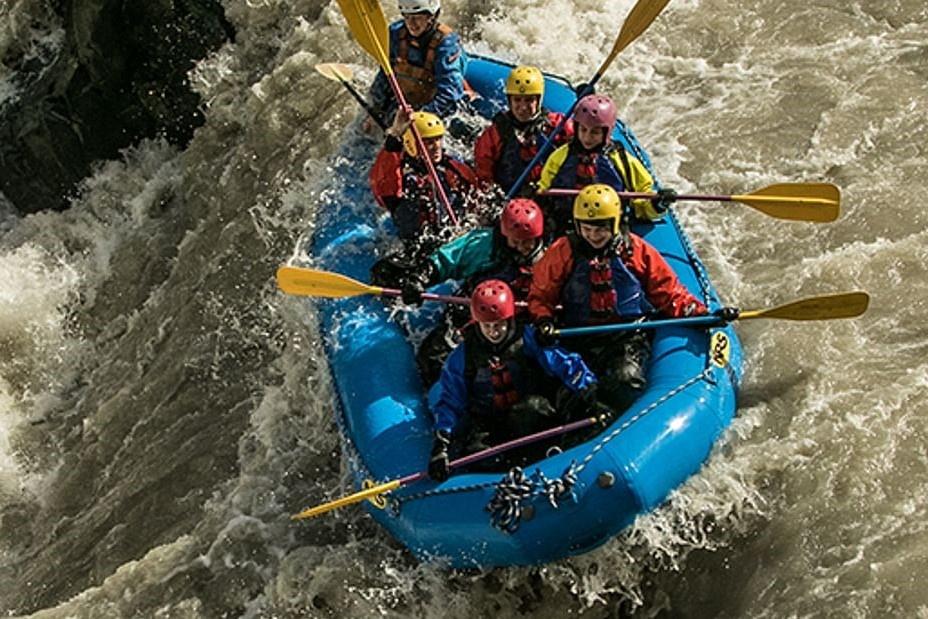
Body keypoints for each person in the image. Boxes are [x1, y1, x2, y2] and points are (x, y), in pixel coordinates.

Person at [528, 184, 727, 412]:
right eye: (586, 229)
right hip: (578, 335)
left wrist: (701, 314)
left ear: (614, 224)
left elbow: (669, 293)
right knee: (574, 398)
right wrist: (543, 320)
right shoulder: (562, 252)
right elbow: (540, 296)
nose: (593, 236)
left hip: (627, 336)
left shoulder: (635, 251)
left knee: (625, 380)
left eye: (600, 229)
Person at [427, 280, 602, 481]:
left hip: (533, 409)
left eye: (499, 324)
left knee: (530, 410)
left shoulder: (528, 337)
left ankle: (552, 455)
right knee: (478, 455)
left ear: (509, 318)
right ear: (477, 323)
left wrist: (587, 387)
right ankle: (511, 471)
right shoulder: (461, 358)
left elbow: (563, 363)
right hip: (490, 421)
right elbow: (450, 402)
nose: (493, 331)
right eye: (487, 326)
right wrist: (441, 444)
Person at [396, 198, 548, 384]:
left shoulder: (550, 256)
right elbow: (448, 259)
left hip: (520, 321)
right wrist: (421, 278)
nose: (523, 248)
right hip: (475, 312)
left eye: (528, 242)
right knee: (433, 358)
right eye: (516, 242)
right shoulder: (484, 244)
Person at [536, 93, 676, 236]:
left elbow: (642, 195)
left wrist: (657, 204)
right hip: (567, 225)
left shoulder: (621, 159)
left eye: (594, 132)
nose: (587, 137)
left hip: (608, 229)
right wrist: (536, 196)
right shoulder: (560, 156)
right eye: (583, 130)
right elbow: (544, 188)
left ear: (607, 132)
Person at [369, 108, 478, 257]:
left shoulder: (452, 167)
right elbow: (383, 188)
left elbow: (476, 196)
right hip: (418, 245)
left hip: (453, 236)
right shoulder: (403, 174)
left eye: (438, 139)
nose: (436, 146)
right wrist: (394, 136)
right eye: (429, 142)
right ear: (412, 144)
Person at [364, 0, 468, 132]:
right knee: (364, 135)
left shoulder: (446, 44)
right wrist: (374, 110)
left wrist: (417, 121)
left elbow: (449, 96)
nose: (411, 24)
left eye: (417, 18)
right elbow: (385, 74)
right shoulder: (396, 33)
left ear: (432, 16)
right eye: (407, 17)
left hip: (432, 111)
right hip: (404, 105)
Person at [473, 65, 574, 196]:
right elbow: (483, 175)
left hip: (547, 194)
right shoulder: (494, 134)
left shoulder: (556, 125)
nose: (523, 107)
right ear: (510, 100)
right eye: (517, 100)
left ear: (538, 100)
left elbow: (584, 138)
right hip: (510, 197)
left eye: (529, 100)